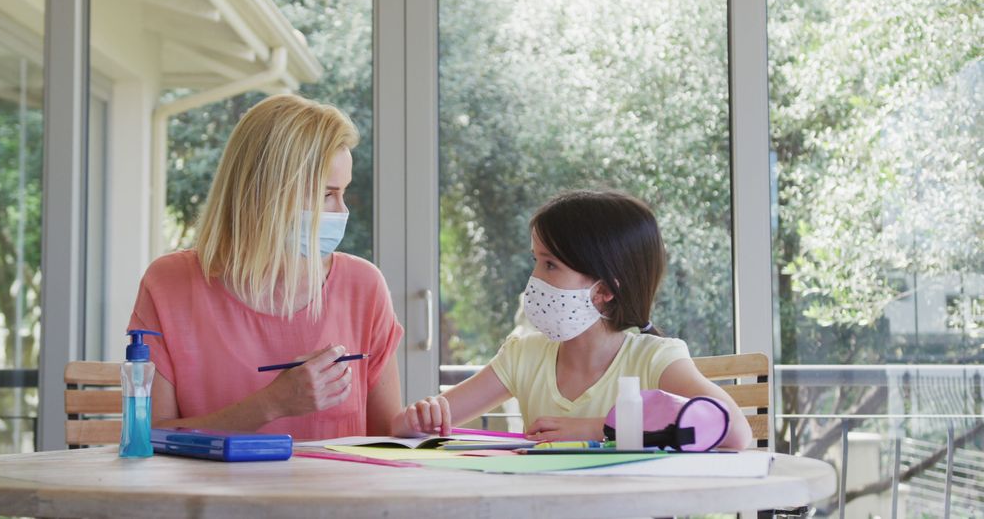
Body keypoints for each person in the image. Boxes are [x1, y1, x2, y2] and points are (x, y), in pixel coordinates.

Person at [129, 94, 403, 440]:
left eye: (343, 193)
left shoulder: (364, 287)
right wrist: (270, 405)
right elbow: (148, 439)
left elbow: (387, 440)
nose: (341, 211)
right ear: (268, 192)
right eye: (327, 195)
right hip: (208, 496)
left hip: (338, 494)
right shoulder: (169, 285)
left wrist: (417, 425)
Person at [392, 190, 752, 449]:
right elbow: (409, 426)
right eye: (535, 260)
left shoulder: (654, 359)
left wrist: (600, 428)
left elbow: (736, 432)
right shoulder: (523, 355)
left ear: (604, 290)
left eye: (550, 264)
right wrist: (419, 419)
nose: (534, 278)